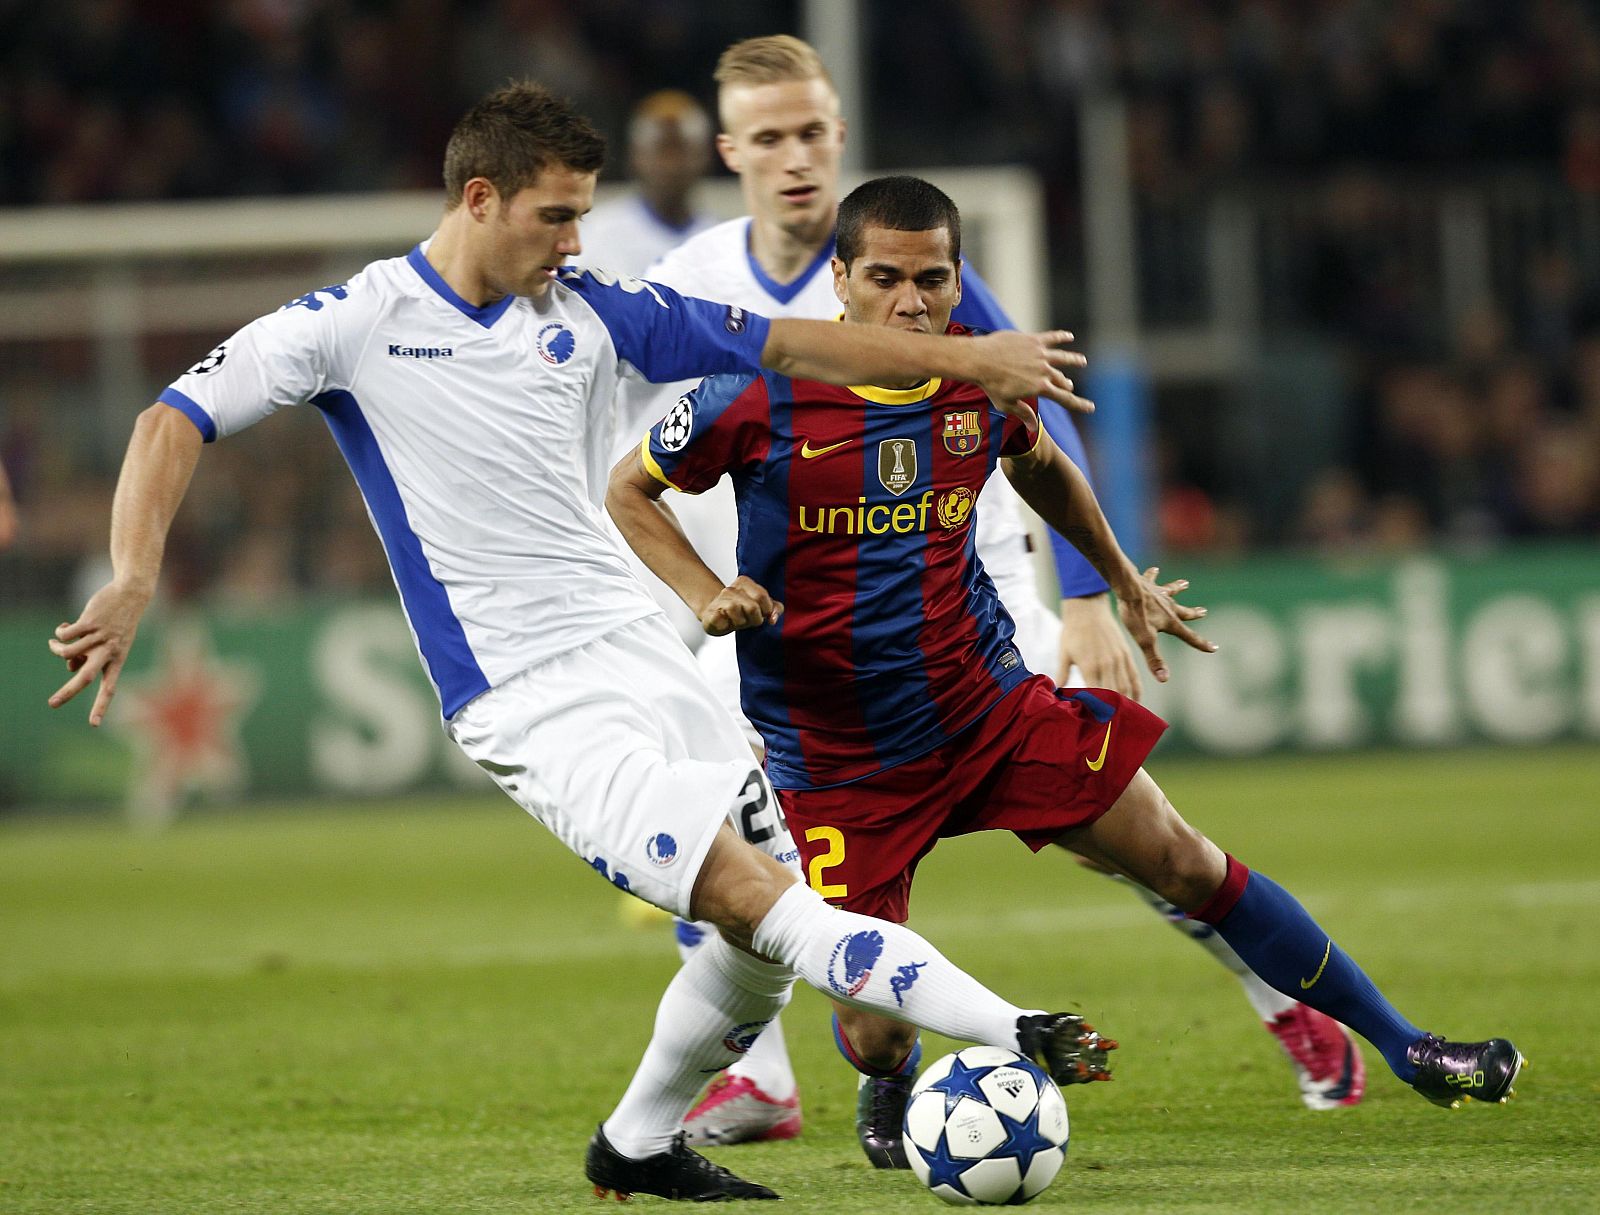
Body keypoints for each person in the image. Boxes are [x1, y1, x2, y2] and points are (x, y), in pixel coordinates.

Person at [45, 83, 1116, 1204]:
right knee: (760, 904)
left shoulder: (593, 309)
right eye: (555, 217)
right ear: (480, 198)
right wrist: (133, 578)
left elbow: (794, 343)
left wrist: (964, 359)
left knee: (765, 931)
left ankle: (636, 1147)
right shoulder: (353, 323)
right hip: (529, 696)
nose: (574, 242)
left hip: (642, 653)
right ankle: (1016, 1024)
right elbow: (171, 417)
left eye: (582, 218)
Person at [608, 174, 1524, 1170]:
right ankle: (886, 1077)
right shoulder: (755, 389)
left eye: (932, 279)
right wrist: (706, 592)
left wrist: (1119, 577)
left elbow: (1037, 460)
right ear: (838, 278)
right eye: (884, 278)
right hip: (839, 759)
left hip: (984, 709)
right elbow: (632, 489)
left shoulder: (975, 380)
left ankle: (1405, 1046)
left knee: (1181, 857)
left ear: (959, 281)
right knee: (874, 1024)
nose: (911, 302)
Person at [575, 90, 719, 277]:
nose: (671, 164)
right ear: (635, 154)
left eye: (682, 150)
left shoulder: (720, 241)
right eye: (660, 150)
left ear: (705, 156)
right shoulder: (592, 236)